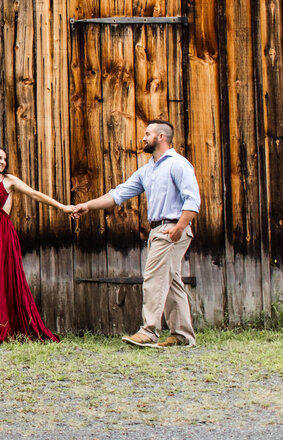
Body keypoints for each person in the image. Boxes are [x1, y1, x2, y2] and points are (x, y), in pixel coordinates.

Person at [73, 119, 200, 348]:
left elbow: (192, 201)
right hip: (158, 230)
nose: (143, 137)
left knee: (153, 277)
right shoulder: (148, 170)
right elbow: (118, 194)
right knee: (171, 281)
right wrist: (88, 206)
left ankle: (149, 331)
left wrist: (179, 228)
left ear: (161, 137)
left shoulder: (178, 164)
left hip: (171, 228)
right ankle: (182, 335)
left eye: (147, 133)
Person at [0, 143, 75, 346]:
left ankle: (1, 333)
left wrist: (62, 207)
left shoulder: (9, 181)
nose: (2, 162)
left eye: (4, 159)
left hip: (3, 235)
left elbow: (35, 194)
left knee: (1, 283)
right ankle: (2, 326)